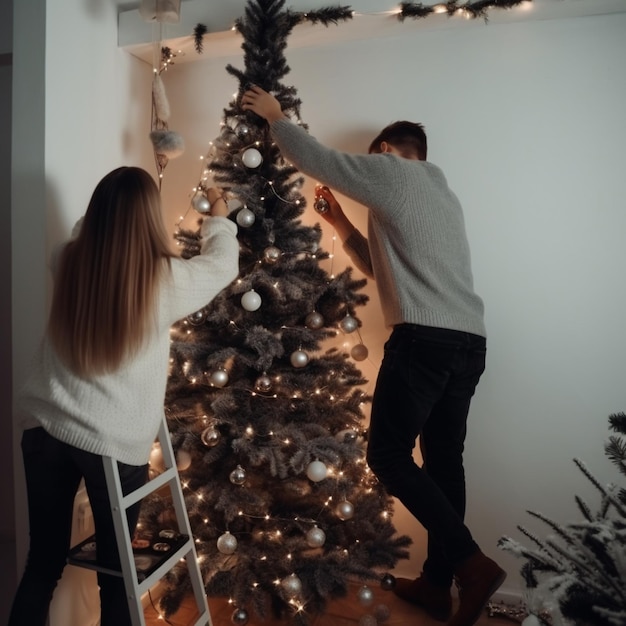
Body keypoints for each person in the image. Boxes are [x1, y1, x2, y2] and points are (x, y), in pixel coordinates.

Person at [241, 85, 505, 626]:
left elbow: (320, 158)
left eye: (372, 157)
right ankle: (437, 584)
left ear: (385, 152)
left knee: (386, 457)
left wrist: (276, 117)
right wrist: (340, 224)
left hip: (424, 341)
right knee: (444, 462)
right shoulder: (441, 195)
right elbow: (384, 271)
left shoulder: (393, 173)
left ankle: (470, 564)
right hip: (468, 342)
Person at [9, 167, 239, 626]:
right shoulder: (164, 278)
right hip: (109, 442)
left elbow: (84, 234)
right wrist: (218, 213)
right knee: (117, 577)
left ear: (96, 214)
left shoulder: (67, 258)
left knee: (42, 563)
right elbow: (222, 265)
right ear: (148, 220)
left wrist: (101, 220)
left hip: (45, 427)